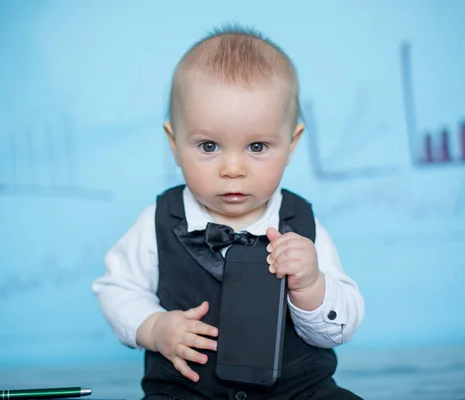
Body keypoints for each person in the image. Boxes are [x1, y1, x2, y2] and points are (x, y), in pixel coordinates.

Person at [92, 24, 365, 400]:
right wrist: (154, 327)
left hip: (298, 391)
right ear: (174, 143)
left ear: (291, 143)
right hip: (187, 391)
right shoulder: (159, 220)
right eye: (208, 146)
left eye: (256, 146)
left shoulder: (302, 223)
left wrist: (312, 285)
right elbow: (115, 288)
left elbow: (341, 328)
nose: (232, 168)